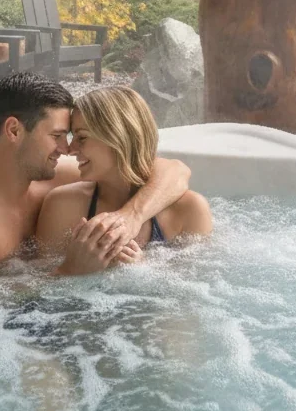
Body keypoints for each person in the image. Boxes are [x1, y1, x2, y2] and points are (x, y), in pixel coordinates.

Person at [0, 72, 190, 274]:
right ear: (14, 131)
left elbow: (175, 171)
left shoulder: (53, 178)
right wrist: (70, 270)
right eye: (57, 136)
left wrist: (131, 217)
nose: (67, 148)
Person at [36, 86, 211, 274]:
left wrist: (146, 272)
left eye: (82, 137)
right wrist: (71, 269)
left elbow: (196, 293)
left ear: (119, 138)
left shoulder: (189, 210)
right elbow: (36, 292)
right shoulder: (62, 205)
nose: (70, 149)